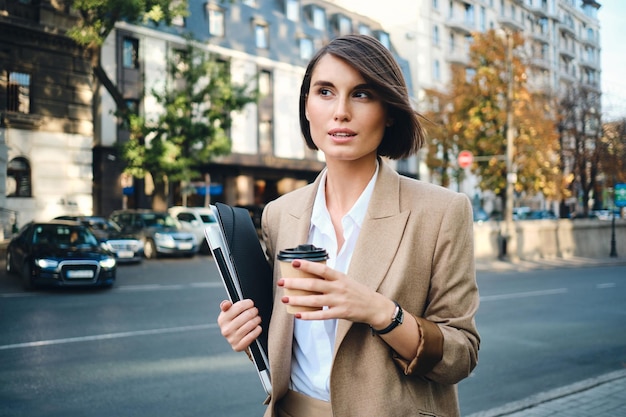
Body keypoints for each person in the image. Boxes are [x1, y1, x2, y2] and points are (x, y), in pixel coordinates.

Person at [217, 34, 479, 417]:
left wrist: (379, 312)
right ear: (307, 106)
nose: (340, 111)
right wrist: (246, 331)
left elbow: (461, 355)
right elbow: (292, 343)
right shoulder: (279, 214)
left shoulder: (441, 211)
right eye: (325, 92)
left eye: (362, 94)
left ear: (388, 110)